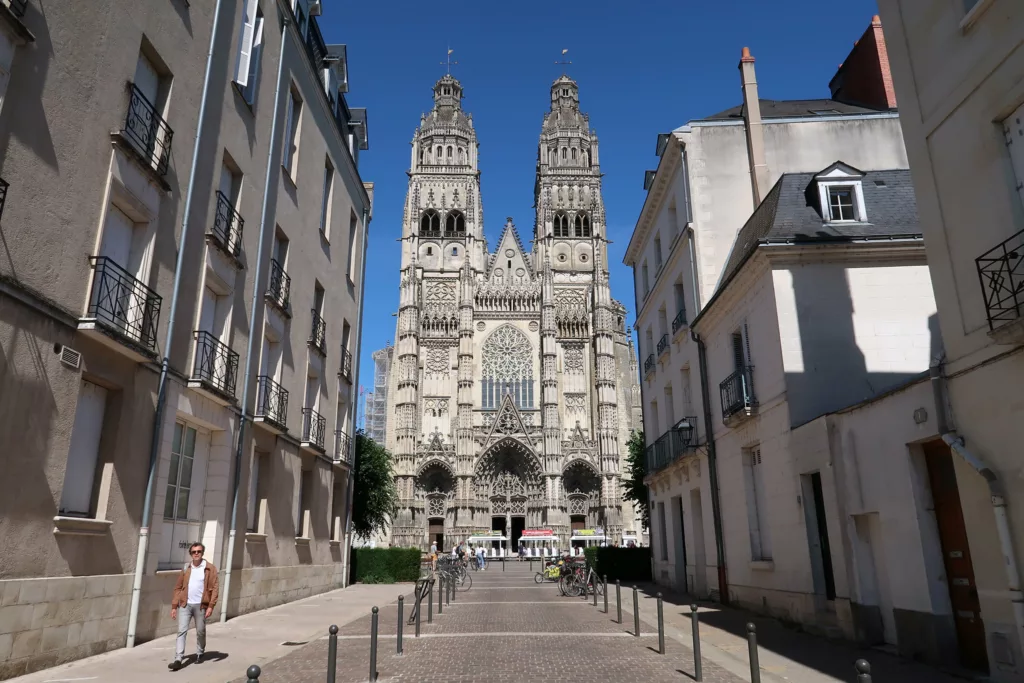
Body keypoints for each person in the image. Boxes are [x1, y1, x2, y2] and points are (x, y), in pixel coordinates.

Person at [168, 542, 219, 671]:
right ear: (190, 554)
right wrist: (174, 606)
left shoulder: (210, 568)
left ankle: (200, 652)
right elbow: (178, 587)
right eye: (194, 552)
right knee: (181, 631)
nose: (196, 554)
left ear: (202, 553)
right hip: (185, 604)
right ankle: (178, 659)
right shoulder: (186, 568)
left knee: (200, 631)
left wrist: (211, 606)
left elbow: (215, 589)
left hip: (201, 605)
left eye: (199, 551)